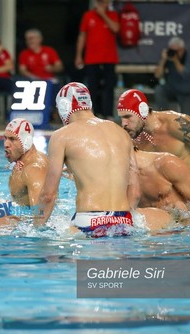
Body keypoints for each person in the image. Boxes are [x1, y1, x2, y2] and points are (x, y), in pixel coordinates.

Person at [37, 82, 172, 237]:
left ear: (63, 107)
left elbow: (48, 196)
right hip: (123, 222)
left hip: (88, 223)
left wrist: (36, 227)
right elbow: (135, 192)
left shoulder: (61, 136)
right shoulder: (121, 133)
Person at [117, 89, 190, 189]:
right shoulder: (136, 140)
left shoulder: (178, 124)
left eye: (127, 117)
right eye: (121, 118)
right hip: (175, 199)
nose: (124, 124)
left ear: (142, 111)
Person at [74, 0, 119, 119]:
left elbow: (115, 28)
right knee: (93, 88)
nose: (101, 4)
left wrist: (103, 14)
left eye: (103, 2)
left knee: (109, 87)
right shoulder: (88, 16)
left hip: (109, 58)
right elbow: (82, 35)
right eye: (99, 2)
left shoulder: (113, 15)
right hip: (92, 59)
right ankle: (95, 113)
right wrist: (79, 55)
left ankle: (108, 114)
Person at [134, 148, 190, 216]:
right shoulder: (125, 179)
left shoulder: (167, 163)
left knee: (179, 207)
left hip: (186, 225)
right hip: (159, 228)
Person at [4, 118, 48, 207]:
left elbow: (40, 214)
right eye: (5, 138)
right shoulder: (22, 163)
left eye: (12, 139)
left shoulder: (35, 168)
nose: (6, 144)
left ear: (26, 142)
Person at [153, 37, 190, 117]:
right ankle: (164, 116)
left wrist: (175, 60)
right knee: (159, 89)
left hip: (187, 92)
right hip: (172, 88)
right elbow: (157, 75)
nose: (173, 53)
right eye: (172, 50)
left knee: (188, 120)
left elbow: (185, 74)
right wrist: (163, 60)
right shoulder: (168, 57)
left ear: (182, 49)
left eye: (176, 51)